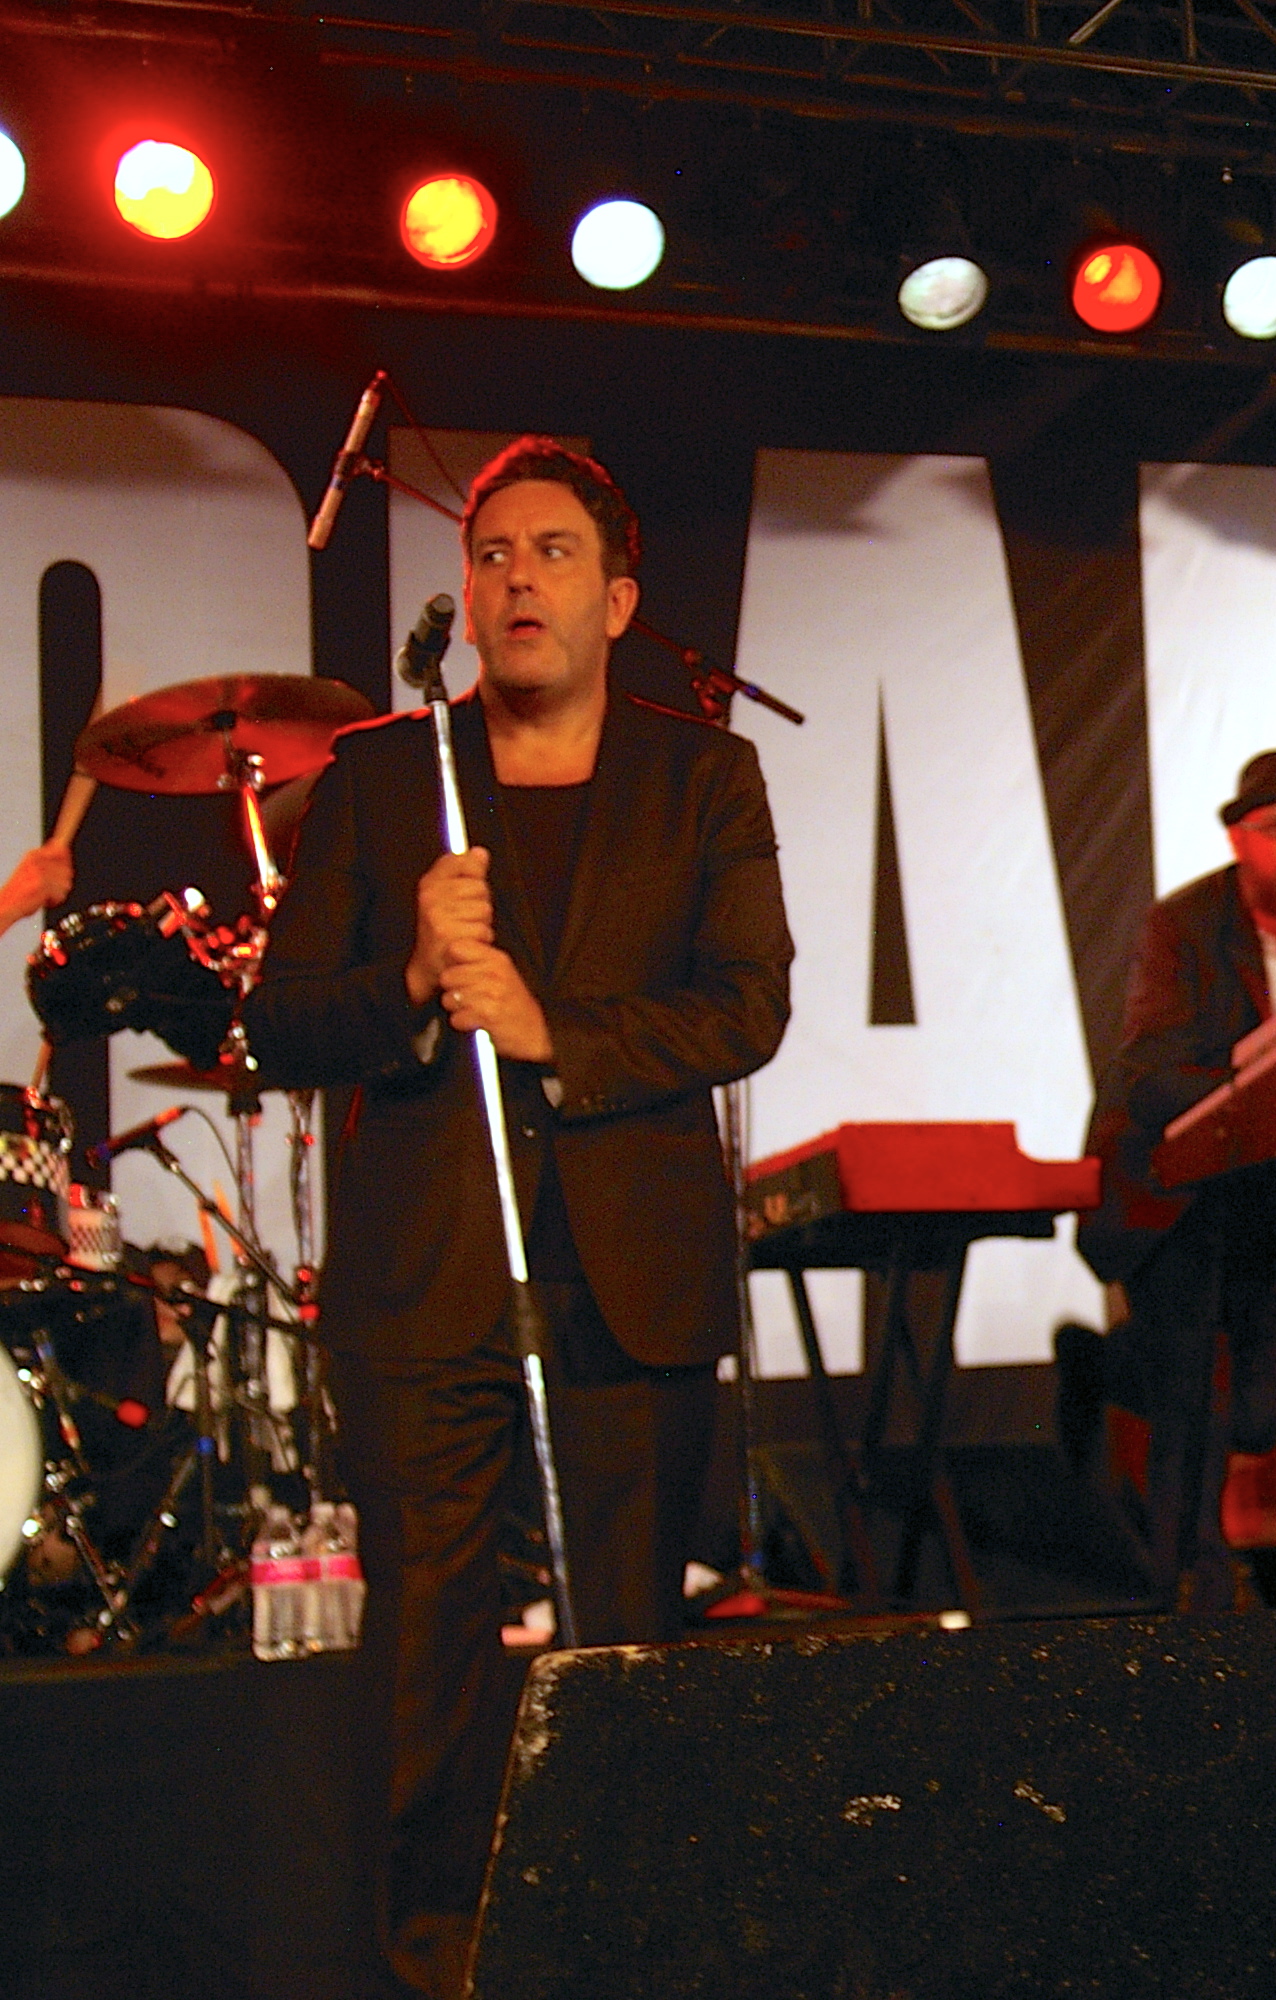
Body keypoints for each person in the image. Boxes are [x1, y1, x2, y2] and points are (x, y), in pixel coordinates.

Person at [242, 438, 792, 1999]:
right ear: (466, 600)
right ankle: (431, 1953)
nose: (516, 579)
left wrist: (560, 1036)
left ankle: (612, 1938)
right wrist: (413, 979)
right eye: (490, 555)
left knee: (624, 1640)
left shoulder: (705, 777)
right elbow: (282, 1022)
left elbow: (747, 1003)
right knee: (430, 1635)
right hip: (429, 1281)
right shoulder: (382, 778)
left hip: (629, 1275)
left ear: (617, 599)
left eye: (552, 552)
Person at [1077, 748, 1276, 1611]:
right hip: (1169, 1196)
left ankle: (1105, 1370)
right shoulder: (1183, 926)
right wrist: (1259, 1082)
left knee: (1259, 1414)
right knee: (1195, 1402)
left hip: (1266, 1203)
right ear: (1239, 841)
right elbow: (1149, 1073)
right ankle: (1191, 1594)